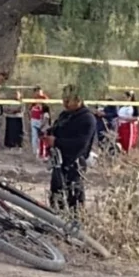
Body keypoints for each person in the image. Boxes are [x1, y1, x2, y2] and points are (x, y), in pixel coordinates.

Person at [42, 85, 96, 213]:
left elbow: (81, 144)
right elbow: (57, 129)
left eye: (69, 100)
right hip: (58, 162)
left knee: (74, 200)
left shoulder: (87, 118)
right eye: (64, 100)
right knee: (56, 197)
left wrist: (57, 141)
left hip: (74, 164)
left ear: (79, 100)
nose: (65, 103)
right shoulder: (65, 115)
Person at [29, 86, 49, 158]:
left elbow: (47, 108)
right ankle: (35, 152)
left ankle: (43, 153)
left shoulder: (44, 99)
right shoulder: (33, 100)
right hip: (34, 119)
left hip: (41, 120)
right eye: (36, 92)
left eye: (39, 91)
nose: (37, 93)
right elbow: (30, 109)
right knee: (34, 137)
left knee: (42, 137)